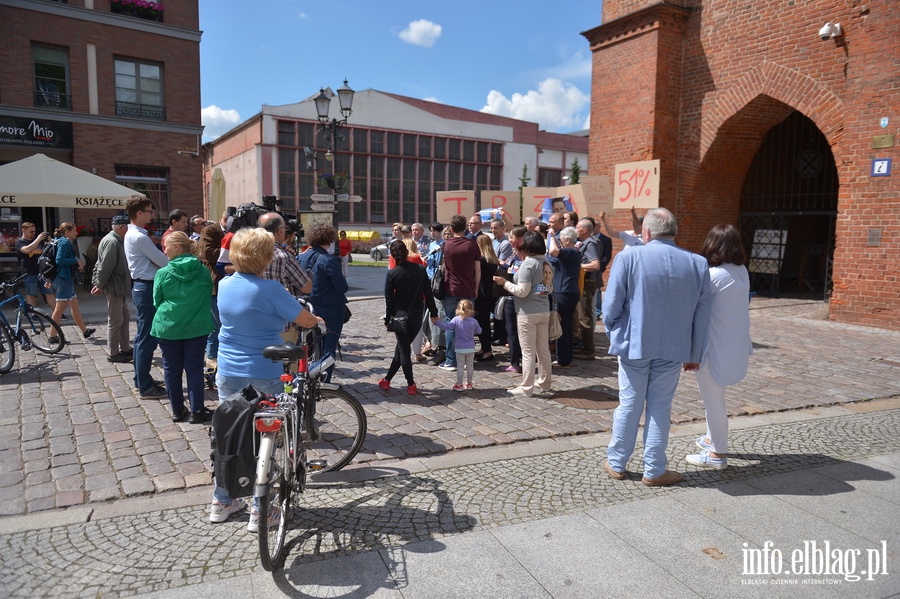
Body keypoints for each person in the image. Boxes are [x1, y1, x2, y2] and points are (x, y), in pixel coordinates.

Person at [211, 227, 320, 525]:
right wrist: (316, 320)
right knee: (265, 442)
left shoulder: (225, 284)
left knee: (229, 436)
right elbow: (304, 319)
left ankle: (222, 501)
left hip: (229, 370)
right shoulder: (271, 289)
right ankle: (262, 510)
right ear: (266, 257)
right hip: (264, 372)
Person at [602, 207, 712, 486]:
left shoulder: (628, 257)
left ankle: (617, 463)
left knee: (629, 404)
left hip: (635, 344)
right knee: (660, 407)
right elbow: (703, 313)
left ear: (646, 233)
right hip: (673, 347)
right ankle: (654, 469)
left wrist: (614, 330)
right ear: (674, 233)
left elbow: (611, 303)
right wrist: (695, 351)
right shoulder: (697, 263)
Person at [686, 224, 752, 470]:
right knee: (716, 398)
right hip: (732, 346)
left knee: (713, 402)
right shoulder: (741, 271)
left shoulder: (713, 276)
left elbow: (693, 309)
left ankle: (717, 455)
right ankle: (710, 438)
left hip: (713, 349)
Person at [151, 232, 215, 424]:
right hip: (197, 327)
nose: (164, 250)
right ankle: (197, 410)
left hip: (169, 327)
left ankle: (177, 411)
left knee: (171, 369)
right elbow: (207, 294)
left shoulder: (163, 273)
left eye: (166, 246)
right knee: (194, 369)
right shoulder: (203, 271)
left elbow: (157, 301)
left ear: (177, 246)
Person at [493, 231, 552, 397]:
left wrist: (505, 283)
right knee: (543, 351)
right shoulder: (547, 262)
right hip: (543, 310)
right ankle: (545, 383)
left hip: (527, 312)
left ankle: (527, 387)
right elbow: (548, 288)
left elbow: (522, 291)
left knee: (527, 352)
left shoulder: (529, 264)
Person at [378, 240, 438, 395]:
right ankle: (386, 380)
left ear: (392, 255)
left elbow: (389, 299)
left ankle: (411, 384)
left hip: (400, 316)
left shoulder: (393, 273)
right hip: (417, 315)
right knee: (401, 350)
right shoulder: (419, 269)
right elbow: (428, 293)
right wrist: (433, 312)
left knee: (404, 351)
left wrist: (387, 319)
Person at [124, 195, 169, 399]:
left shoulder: (135, 233)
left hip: (143, 286)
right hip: (147, 286)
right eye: (149, 211)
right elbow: (163, 261)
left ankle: (140, 379)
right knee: (147, 338)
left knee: (142, 336)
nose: (152, 214)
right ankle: (145, 386)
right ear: (139, 213)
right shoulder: (139, 237)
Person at [298, 223, 348, 381]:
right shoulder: (329, 260)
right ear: (329, 239)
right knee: (329, 346)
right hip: (331, 309)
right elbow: (342, 287)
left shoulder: (301, 257)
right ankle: (324, 380)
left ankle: (307, 378)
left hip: (308, 307)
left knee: (309, 346)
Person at [440, 215, 481, 372]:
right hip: (468, 289)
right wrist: (476, 287)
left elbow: (444, 267)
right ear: (465, 227)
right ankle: (467, 358)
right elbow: (477, 270)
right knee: (468, 324)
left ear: (451, 228)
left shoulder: (447, 245)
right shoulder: (472, 245)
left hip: (451, 289)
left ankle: (451, 360)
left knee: (451, 323)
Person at [90, 215, 133, 363]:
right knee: (115, 320)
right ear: (122, 227)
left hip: (119, 287)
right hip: (114, 286)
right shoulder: (112, 242)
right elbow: (104, 267)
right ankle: (113, 353)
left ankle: (125, 348)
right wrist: (98, 284)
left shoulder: (115, 240)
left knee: (124, 317)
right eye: (128, 227)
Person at [48, 223, 96, 341]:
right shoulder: (64, 242)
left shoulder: (59, 240)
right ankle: (53, 336)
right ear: (67, 231)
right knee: (60, 307)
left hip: (64, 278)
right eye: (74, 230)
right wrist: (75, 260)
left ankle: (84, 331)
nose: (76, 232)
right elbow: (59, 260)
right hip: (63, 278)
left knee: (74, 304)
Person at [547, 226, 581, 368]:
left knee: (562, 326)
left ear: (567, 240)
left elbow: (553, 251)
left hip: (565, 292)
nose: (560, 242)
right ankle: (565, 357)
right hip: (568, 292)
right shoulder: (570, 253)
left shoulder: (571, 251)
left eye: (561, 239)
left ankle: (564, 359)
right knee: (565, 325)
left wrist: (552, 237)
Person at [259, 213, 312, 298]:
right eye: (285, 228)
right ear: (279, 232)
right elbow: (306, 287)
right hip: (281, 307)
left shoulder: (250, 252)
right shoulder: (283, 256)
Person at [432, 299, 481, 391]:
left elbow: (446, 327)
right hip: (470, 348)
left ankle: (459, 384)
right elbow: (479, 331)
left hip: (459, 348)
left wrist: (437, 322)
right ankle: (469, 383)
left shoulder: (456, 320)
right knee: (470, 366)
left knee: (460, 367)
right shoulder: (473, 321)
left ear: (458, 309)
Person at [198, 212, 226, 368]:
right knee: (216, 325)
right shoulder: (210, 230)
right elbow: (207, 253)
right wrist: (230, 251)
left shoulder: (237, 230)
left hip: (232, 284)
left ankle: (222, 355)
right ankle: (211, 357)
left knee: (226, 324)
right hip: (216, 285)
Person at [572, 219, 602, 361]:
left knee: (585, 317)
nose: (575, 229)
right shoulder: (586, 242)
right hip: (584, 281)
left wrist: (578, 266)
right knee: (582, 315)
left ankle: (588, 350)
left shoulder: (590, 244)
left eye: (577, 227)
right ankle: (585, 346)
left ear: (584, 230)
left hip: (587, 282)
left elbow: (595, 265)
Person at [15, 222, 55, 309]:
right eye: (31, 231)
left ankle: (58, 313)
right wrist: (38, 239)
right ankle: (33, 313)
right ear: (23, 230)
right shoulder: (20, 242)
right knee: (31, 294)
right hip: (29, 272)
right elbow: (27, 250)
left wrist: (50, 240)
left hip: (42, 271)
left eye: (34, 231)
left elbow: (53, 247)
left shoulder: (38, 241)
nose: (33, 233)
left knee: (49, 292)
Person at [424, 224, 449, 366]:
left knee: (441, 315)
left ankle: (442, 348)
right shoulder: (432, 244)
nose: (432, 233)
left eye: (434, 231)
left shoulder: (444, 246)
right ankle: (430, 342)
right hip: (432, 280)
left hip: (441, 283)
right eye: (431, 231)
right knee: (429, 314)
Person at [474, 234, 499, 361]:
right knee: (485, 322)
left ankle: (487, 350)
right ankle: (485, 347)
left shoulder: (482, 260)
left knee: (481, 322)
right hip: (491, 293)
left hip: (482, 293)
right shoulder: (493, 259)